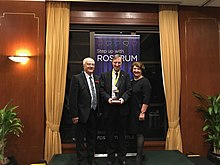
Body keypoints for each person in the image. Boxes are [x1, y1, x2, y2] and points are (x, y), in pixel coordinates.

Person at [100, 54, 131, 165]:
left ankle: (122, 157)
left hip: (122, 109)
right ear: (112, 63)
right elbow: (101, 90)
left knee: (122, 134)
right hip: (109, 109)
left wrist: (123, 98)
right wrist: (108, 98)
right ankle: (111, 157)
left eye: (119, 63)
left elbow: (129, 90)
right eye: (115, 62)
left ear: (121, 63)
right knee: (109, 134)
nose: (117, 64)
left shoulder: (126, 75)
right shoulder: (105, 75)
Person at [69, 57, 99, 165]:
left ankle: (91, 160)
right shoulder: (76, 78)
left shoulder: (97, 78)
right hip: (81, 115)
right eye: (89, 64)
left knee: (92, 138)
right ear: (84, 66)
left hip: (93, 113)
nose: (91, 66)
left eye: (93, 65)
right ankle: (81, 161)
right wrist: (74, 115)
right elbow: (72, 99)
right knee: (80, 139)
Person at [128, 62, 151, 165]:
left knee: (140, 134)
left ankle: (139, 157)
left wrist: (142, 112)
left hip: (140, 111)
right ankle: (141, 154)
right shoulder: (132, 81)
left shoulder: (145, 82)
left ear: (142, 70)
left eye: (138, 69)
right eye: (134, 69)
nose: (136, 71)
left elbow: (146, 98)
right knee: (134, 132)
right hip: (132, 112)